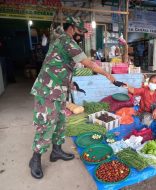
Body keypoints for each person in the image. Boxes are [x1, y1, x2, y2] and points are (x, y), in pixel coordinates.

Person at [29, 16, 116, 179]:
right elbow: (88, 63)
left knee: (61, 121)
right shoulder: (66, 41)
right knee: (46, 124)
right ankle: (35, 159)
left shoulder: (63, 41)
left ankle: (56, 151)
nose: (81, 35)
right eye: (80, 31)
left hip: (59, 90)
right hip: (47, 91)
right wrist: (107, 74)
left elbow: (61, 65)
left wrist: (70, 84)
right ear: (72, 28)